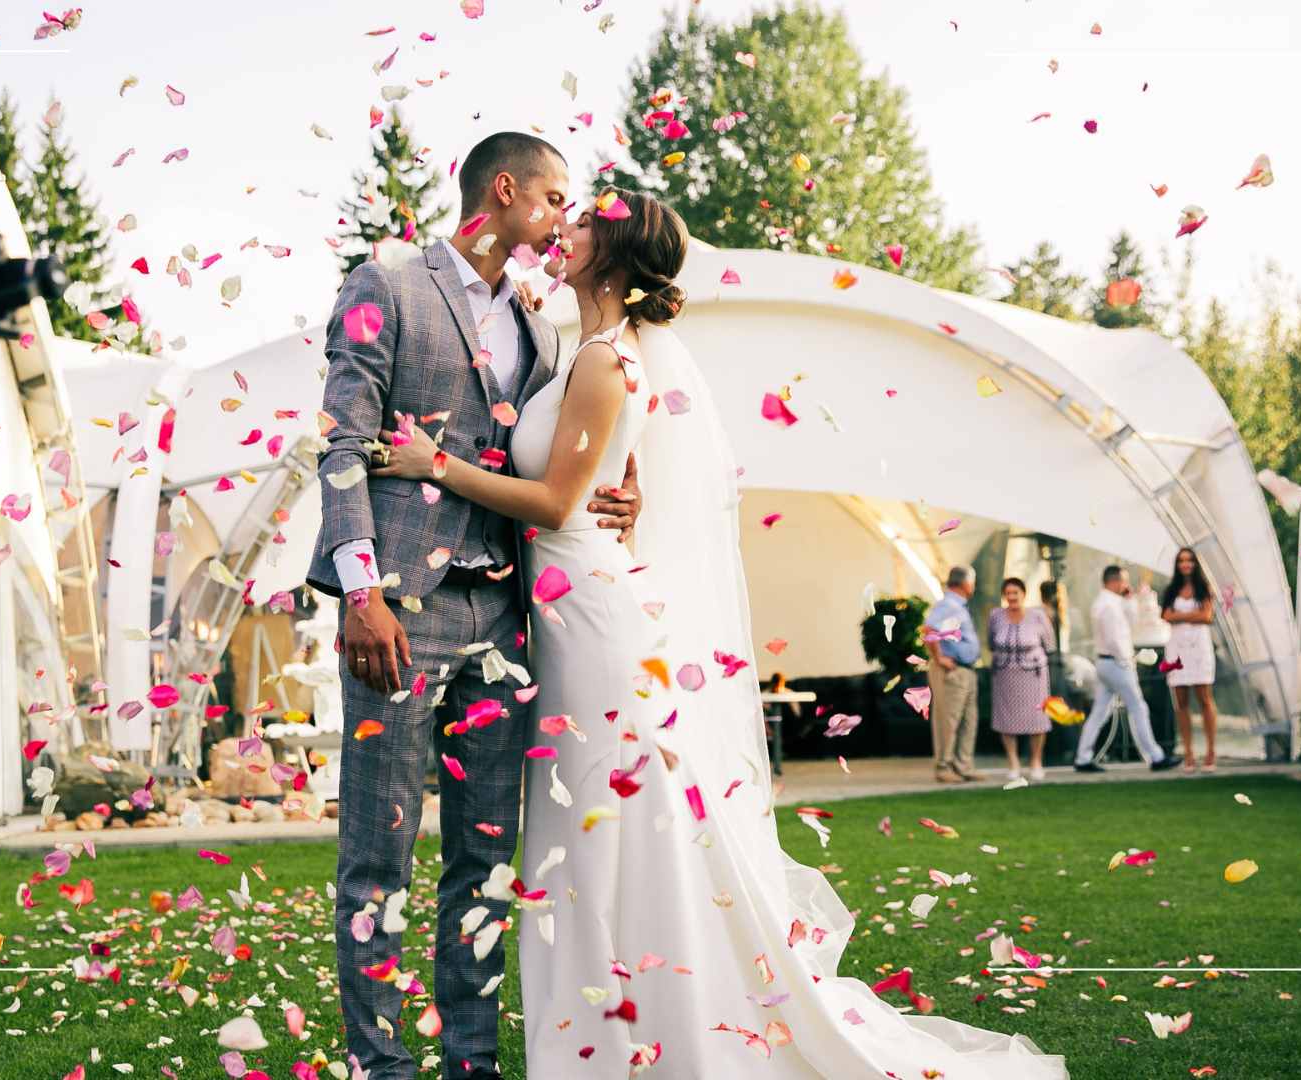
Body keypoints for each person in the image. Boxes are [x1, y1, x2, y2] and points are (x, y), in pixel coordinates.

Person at [378, 188, 1065, 1078]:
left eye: (583, 222)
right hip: (571, 609)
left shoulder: (603, 362)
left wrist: (438, 465)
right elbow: (605, 478)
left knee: (609, 828)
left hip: (595, 622)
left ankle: (640, 1037)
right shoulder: (572, 346)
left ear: (614, 256)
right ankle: (613, 1030)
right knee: (594, 828)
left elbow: (554, 503)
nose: (566, 230)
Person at [306, 131, 641, 1080]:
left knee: (485, 862)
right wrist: (360, 590)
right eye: (555, 198)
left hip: (505, 620)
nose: (565, 217)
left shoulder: (538, 324)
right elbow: (343, 445)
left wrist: (624, 486)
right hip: (400, 618)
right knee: (377, 860)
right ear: (507, 191)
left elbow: (548, 456)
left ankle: (471, 1061)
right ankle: (381, 1066)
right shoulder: (390, 288)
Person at [1075, 566, 1181, 775]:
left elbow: (1130, 622)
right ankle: (1156, 756)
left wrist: (1130, 600)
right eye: (1123, 581)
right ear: (1114, 582)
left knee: (1100, 712)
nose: (1126, 585)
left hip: (1105, 662)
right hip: (1116, 663)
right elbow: (1116, 637)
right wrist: (1126, 660)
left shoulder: (1106, 603)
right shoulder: (1109, 606)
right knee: (1139, 708)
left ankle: (1083, 757)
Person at [989, 578, 1056, 782]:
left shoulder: (1037, 616)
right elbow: (991, 641)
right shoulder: (995, 616)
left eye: (1015, 593)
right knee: (1006, 719)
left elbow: (1049, 643)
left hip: (1033, 674)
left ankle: (1036, 761)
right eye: (1008, 593)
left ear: (1023, 594)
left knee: (1037, 718)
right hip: (1005, 673)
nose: (1011, 597)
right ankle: (1013, 762)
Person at [1162, 546, 1220, 774]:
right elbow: (1165, 616)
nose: (1185, 564)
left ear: (1195, 563)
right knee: (1181, 701)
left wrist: (1180, 617)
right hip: (1177, 649)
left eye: (1189, 560)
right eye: (1181, 561)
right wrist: (1190, 617)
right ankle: (1188, 752)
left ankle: (1211, 750)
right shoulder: (1171, 590)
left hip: (1199, 648)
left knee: (1204, 698)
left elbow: (1207, 615)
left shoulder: (1203, 588)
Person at [923, 567, 983, 783]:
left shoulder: (958, 606)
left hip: (966, 669)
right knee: (949, 720)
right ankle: (944, 766)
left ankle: (962, 765)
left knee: (968, 720)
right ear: (965, 584)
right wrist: (939, 658)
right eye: (973, 582)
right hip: (953, 670)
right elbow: (929, 629)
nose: (974, 586)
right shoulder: (948, 605)